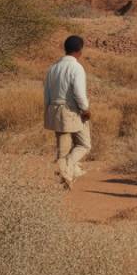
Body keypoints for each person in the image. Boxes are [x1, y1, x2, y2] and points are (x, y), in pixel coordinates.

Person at [44, 35, 92, 188]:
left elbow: (47, 93)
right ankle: (67, 170)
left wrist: (48, 111)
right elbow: (78, 92)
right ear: (80, 50)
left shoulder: (53, 68)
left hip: (54, 109)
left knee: (63, 148)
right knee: (84, 145)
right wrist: (85, 109)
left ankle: (65, 174)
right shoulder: (76, 67)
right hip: (72, 110)